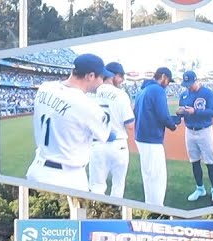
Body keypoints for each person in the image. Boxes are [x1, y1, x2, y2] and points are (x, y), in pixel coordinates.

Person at [25, 53, 113, 191]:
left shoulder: (45, 87)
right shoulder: (88, 106)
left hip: (36, 170)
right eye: (101, 77)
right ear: (90, 76)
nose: (102, 82)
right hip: (67, 178)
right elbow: (108, 135)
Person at [88, 61, 136, 197]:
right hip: (118, 145)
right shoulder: (121, 95)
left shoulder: (90, 93)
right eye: (120, 77)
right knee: (118, 187)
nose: (121, 81)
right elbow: (130, 126)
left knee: (96, 188)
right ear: (113, 76)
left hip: (97, 144)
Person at [133, 67, 179, 206]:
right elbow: (163, 115)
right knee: (158, 177)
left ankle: (150, 204)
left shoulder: (143, 90)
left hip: (141, 137)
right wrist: (173, 125)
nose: (168, 84)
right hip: (152, 138)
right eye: (168, 80)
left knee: (148, 175)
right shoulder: (157, 90)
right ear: (163, 76)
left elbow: (137, 111)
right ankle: (158, 208)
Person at [176, 70, 213, 202]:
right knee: (194, 161)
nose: (188, 86)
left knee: (210, 162)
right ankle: (200, 188)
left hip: (204, 130)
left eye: (190, 83)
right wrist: (180, 113)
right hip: (189, 131)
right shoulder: (183, 95)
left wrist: (195, 111)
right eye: (186, 84)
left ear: (196, 80)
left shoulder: (207, 93)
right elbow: (183, 112)